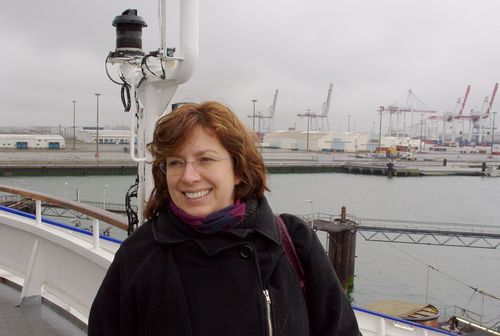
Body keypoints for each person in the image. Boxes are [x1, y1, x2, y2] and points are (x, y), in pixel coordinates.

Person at [88, 101, 361, 335]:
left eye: (205, 159)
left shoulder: (293, 242)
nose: (189, 176)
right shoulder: (139, 256)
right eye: (175, 162)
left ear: (239, 169)